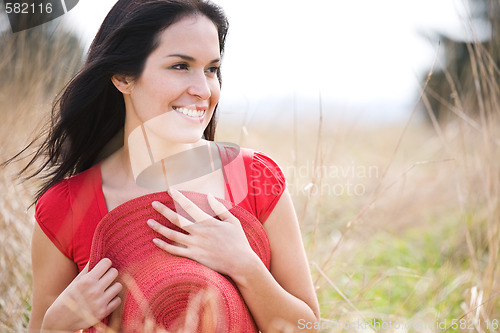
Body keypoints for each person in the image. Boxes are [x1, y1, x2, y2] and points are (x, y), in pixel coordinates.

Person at [21, 0, 320, 331]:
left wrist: (246, 266)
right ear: (122, 76)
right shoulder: (66, 208)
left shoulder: (255, 178)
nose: (203, 89)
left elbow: (306, 326)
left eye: (211, 69)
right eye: (180, 66)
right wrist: (55, 325)